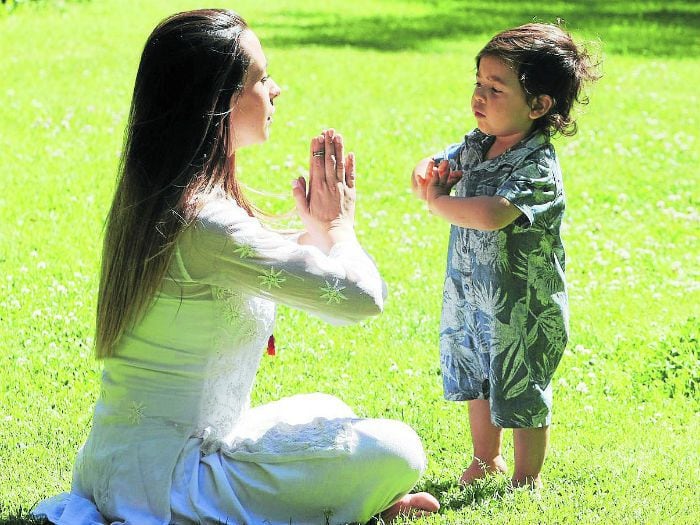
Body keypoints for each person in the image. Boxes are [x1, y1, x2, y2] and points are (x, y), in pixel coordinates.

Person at [33, 9, 439, 525]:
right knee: (399, 449)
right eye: (262, 78)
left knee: (327, 408)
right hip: (170, 485)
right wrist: (337, 228)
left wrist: (317, 231)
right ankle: (335, 505)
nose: (276, 90)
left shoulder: (165, 200)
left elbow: (268, 258)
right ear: (220, 101)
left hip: (118, 466)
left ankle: (332, 503)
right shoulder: (204, 223)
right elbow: (361, 299)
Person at [411, 23, 600, 488]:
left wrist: (438, 203)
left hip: (522, 306)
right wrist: (426, 170)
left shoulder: (537, 167)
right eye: (478, 82)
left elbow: (495, 214)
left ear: (538, 105)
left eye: (495, 89)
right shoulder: (477, 143)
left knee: (522, 384)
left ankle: (526, 477)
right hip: (473, 293)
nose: (479, 96)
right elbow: (442, 163)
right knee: (478, 378)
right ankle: (485, 458)